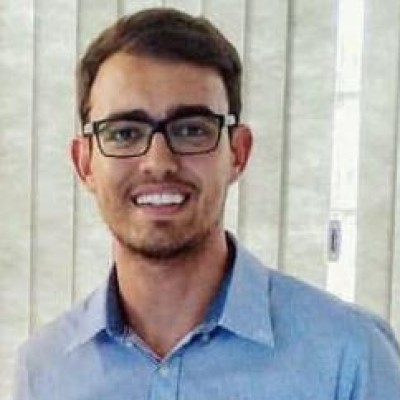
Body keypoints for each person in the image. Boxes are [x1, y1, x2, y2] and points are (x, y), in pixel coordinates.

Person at [13, 8, 400, 400]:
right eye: (125, 133)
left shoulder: (349, 356)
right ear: (84, 163)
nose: (158, 162)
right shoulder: (45, 372)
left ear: (238, 153)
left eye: (191, 130)